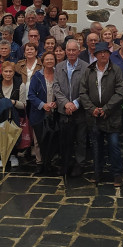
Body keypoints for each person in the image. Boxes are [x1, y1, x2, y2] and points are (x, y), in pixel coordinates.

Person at [79, 41, 123, 185]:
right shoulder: (89, 70)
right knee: (96, 147)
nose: (103, 54)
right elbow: (82, 92)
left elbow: (120, 93)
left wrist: (106, 109)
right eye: (100, 52)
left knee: (114, 146)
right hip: (94, 117)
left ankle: (117, 174)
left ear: (109, 54)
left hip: (111, 116)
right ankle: (97, 173)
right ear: (96, 55)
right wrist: (92, 109)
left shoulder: (116, 70)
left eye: (105, 52)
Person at [54, 39, 88, 177]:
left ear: (79, 51)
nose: (71, 53)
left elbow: (87, 89)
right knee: (64, 140)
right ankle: (65, 163)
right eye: (69, 50)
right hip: (64, 110)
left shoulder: (86, 67)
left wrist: (75, 103)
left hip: (79, 111)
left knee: (80, 139)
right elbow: (56, 87)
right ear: (65, 51)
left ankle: (80, 164)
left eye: (74, 50)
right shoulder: (59, 66)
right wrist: (66, 103)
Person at [0, 62, 27, 169]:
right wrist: (4, 103)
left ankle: (13, 155)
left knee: (13, 136)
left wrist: (13, 102)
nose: (8, 74)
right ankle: (2, 157)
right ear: (1, 72)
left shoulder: (20, 85)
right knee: (0, 136)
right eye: (6, 71)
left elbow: (23, 104)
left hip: (14, 116)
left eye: (10, 71)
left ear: (14, 72)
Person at [28, 52, 60, 175]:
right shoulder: (37, 76)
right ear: (43, 61)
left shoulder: (59, 74)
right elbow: (31, 95)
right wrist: (43, 105)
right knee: (38, 140)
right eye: (47, 59)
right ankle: (39, 163)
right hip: (39, 112)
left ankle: (49, 163)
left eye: (52, 59)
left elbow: (64, 91)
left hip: (55, 112)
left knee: (52, 139)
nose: (50, 61)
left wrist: (57, 102)